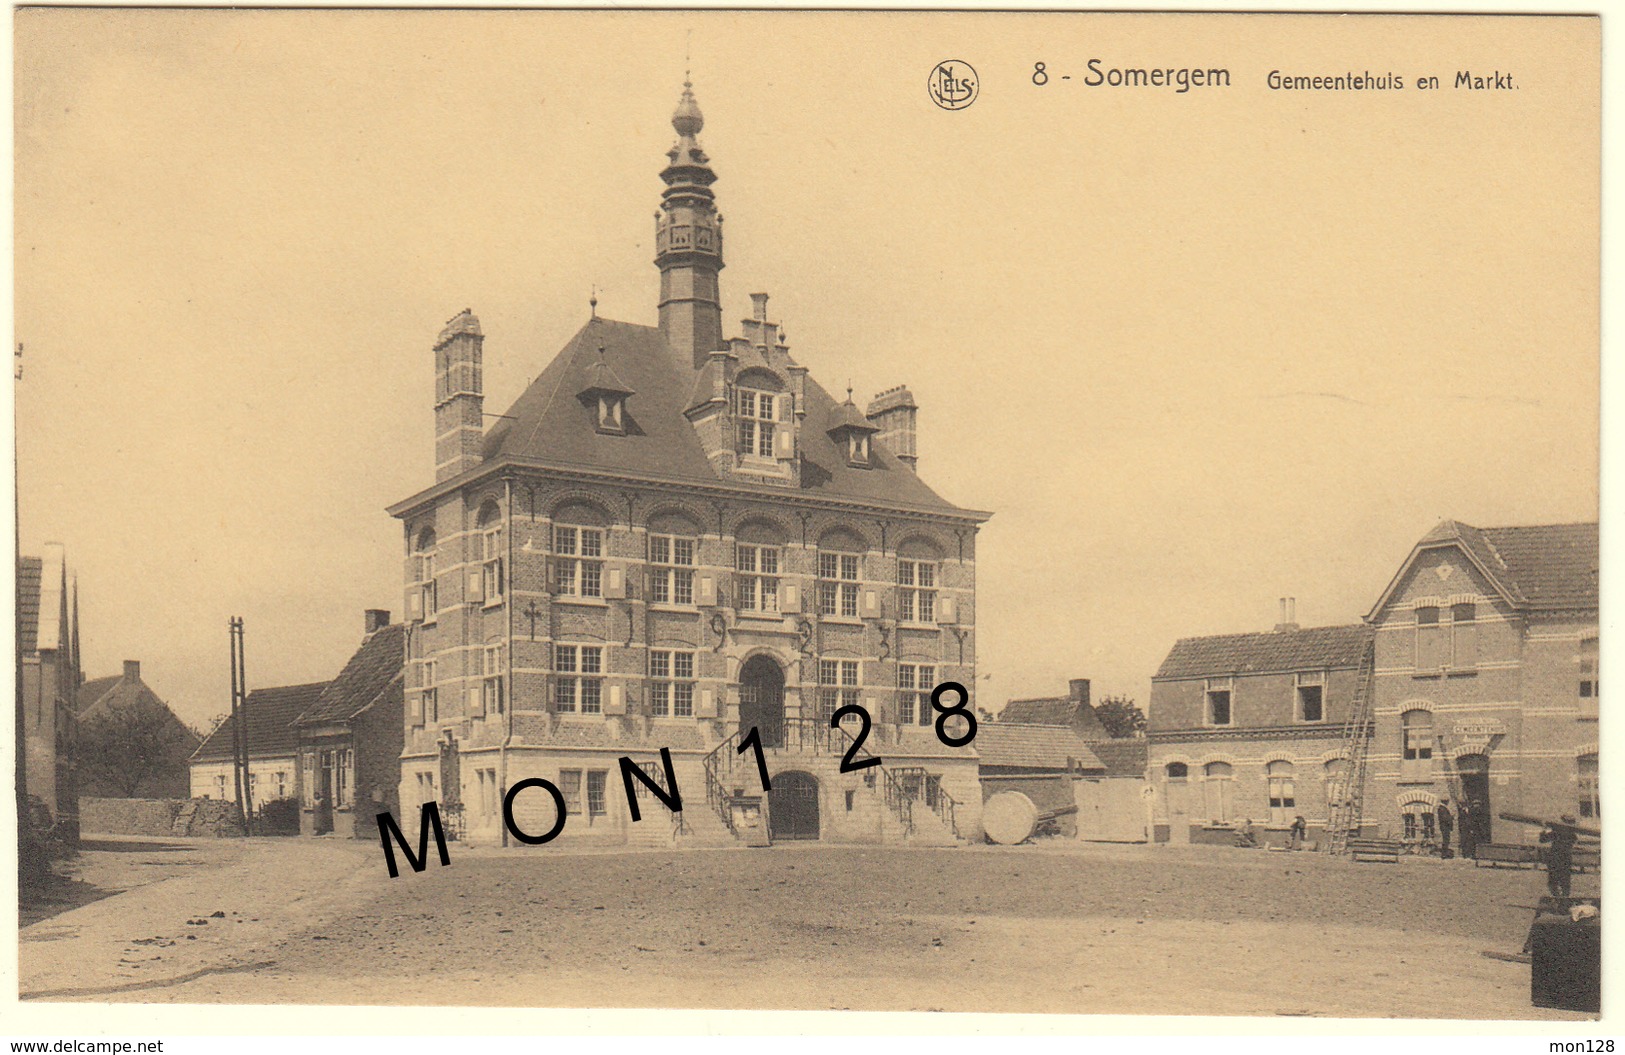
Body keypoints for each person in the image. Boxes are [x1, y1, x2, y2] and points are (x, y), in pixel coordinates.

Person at [1539, 815, 1579, 898]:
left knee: (1556, 881)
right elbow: (1542, 840)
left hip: (1557, 858)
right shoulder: (1571, 835)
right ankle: (1562, 898)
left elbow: (1542, 839)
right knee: (1563, 881)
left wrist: (1544, 829)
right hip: (1562, 858)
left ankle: (1560, 897)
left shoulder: (1558, 833)